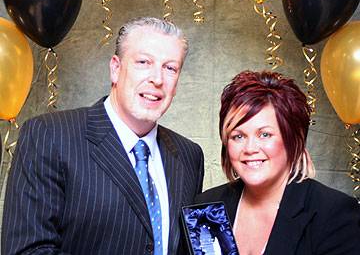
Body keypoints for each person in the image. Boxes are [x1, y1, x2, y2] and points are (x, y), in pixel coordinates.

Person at [2, 17, 204, 255]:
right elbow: (28, 250)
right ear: (116, 68)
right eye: (143, 62)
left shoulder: (189, 155)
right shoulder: (50, 135)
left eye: (170, 68)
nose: (157, 79)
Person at [194, 70, 360, 254]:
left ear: (293, 139)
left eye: (265, 134)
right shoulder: (206, 208)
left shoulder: (333, 213)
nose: (250, 148)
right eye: (238, 136)